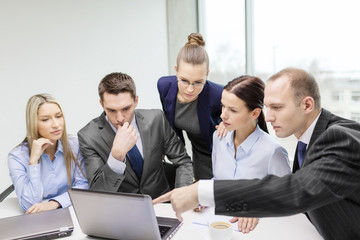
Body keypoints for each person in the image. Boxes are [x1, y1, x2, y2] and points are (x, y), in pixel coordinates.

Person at [154, 68, 360, 240]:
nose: (268, 117)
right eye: (267, 107)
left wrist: (202, 191)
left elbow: (297, 189)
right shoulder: (307, 141)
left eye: (277, 108)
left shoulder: (339, 138)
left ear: (307, 105)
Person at [78, 72, 194, 199]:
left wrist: (183, 195)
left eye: (126, 109)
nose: (120, 118)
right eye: (111, 110)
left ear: (136, 101)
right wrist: (116, 156)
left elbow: (183, 161)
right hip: (122, 211)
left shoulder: (156, 119)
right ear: (102, 104)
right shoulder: (88, 137)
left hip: (161, 204)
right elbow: (98, 192)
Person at [211, 75, 291, 233]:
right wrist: (201, 196)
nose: (223, 115)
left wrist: (257, 208)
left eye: (232, 110)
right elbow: (217, 181)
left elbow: (287, 198)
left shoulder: (272, 151)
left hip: (256, 230)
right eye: (223, 106)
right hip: (218, 223)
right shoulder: (219, 138)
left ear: (254, 114)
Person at [157, 33, 223, 180]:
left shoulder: (217, 94)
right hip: (198, 153)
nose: (190, 89)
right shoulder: (164, 87)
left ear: (207, 74)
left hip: (222, 153)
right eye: (184, 80)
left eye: (198, 82)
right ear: (176, 71)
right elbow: (170, 124)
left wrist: (227, 123)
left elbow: (244, 109)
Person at [8, 93, 88, 214]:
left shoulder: (75, 145)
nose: (56, 124)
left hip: (71, 210)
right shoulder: (17, 157)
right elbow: (28, 205)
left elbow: (84, 186)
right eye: (45, 119)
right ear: (33, 123)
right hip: (38, 218)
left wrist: (54, 203)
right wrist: (33, 161)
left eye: (58, 116)